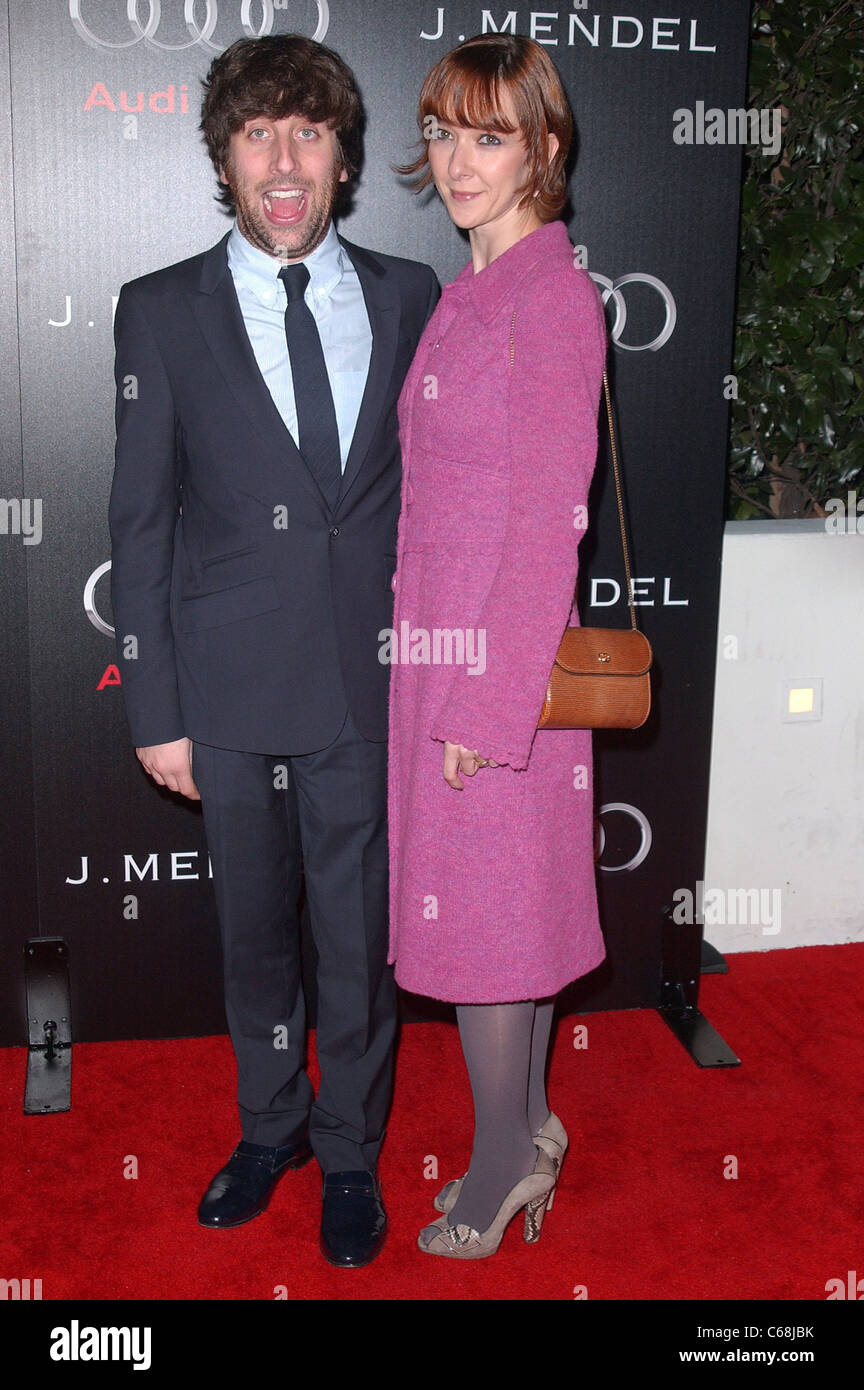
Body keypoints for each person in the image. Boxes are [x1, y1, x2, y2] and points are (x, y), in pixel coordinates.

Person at [109, 33, 438, 1268]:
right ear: (225, 157)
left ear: (346, 159)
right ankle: (270, 1131)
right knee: (253, 935)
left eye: (310, 134)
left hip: (369, 677)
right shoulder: (159, 311)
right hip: (228, 687)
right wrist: (156, 708)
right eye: (260, 135)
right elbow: (137, 523)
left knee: (357, 938)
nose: (286, 162)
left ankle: (349, 1151)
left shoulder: (414, 298)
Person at [389, 33, 608, 1258]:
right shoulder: (475, 290)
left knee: (483, 934)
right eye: (444, 132)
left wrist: (484, 708)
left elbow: (544, 529)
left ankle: (495, 1169)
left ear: (544, 148)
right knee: (504, 920)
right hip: (447, 657)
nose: (459, 161)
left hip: (494, 673)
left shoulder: (551, 297)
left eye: (491, 135)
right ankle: (528, 1128)